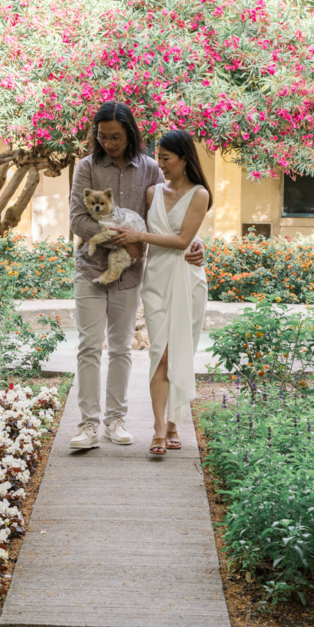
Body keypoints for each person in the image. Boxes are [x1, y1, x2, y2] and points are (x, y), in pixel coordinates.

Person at [68, 103, 204, 450]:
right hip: (91, 268)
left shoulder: (149, 169)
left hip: (130, 274)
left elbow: (170, 211)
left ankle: (116, 420)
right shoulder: (86, 167)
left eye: (115, 136)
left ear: (130, 133)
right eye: (102, 136)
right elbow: (77, 220)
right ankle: (87, 425)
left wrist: (196, 241)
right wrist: (121, 239)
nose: (109, 143)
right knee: (88, 347)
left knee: (121, 349)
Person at [108, 130, 211, 456]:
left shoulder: (200, 195)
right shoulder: (151, 193)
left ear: (184, 158)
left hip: (187, 279)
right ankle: (157, 428)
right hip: (156, 280)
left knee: (180, 352)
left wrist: (197, 245)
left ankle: (172, 425)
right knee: (160, 355)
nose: (161, 163)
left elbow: (183, 241)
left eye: (166, 158)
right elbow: (131, 222)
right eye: (159, 157)